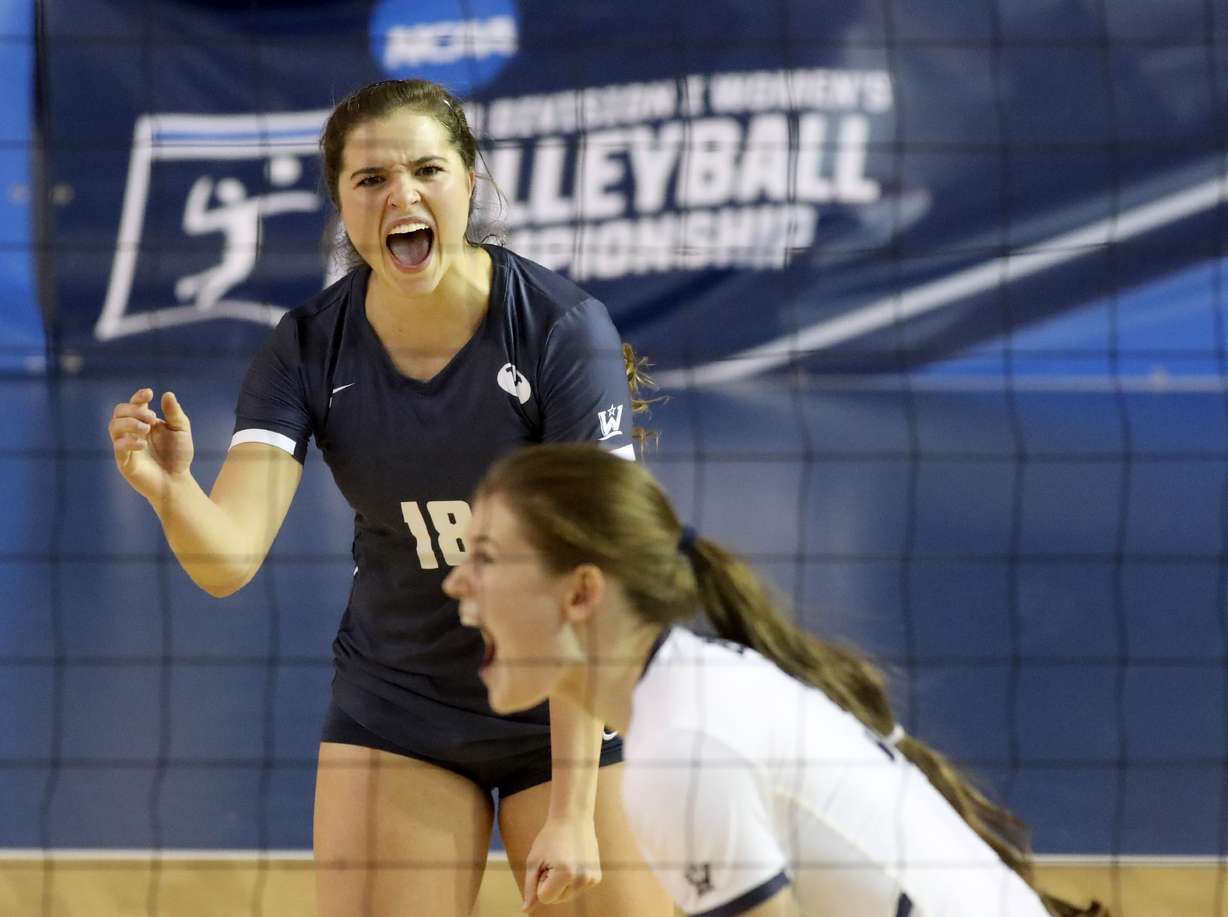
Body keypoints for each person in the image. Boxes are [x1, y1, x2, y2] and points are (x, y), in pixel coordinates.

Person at [107, 79, 673, 917]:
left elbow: (598, 583)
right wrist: (171, 488)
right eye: (370, 180)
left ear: (469, 182)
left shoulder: (559, 329)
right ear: (341, 202)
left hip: (568, 703)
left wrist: (571, 809)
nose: (401, 194)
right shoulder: (306, 348)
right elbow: (227, 560)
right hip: (402, 703)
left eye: (427, 170)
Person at [442, 444, 1108, 917]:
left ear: (582, 591)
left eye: (489, 558)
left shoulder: (684, 749)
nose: (455, 582)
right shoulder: (690, 692)